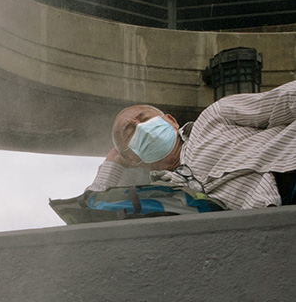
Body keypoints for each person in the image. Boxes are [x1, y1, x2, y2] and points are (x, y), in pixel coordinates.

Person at [88, 81, 296, 209]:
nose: (141, 127)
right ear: (131, 159)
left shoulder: (214, 116)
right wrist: (112, 165)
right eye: (131, 131)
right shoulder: (158, 195)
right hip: (276, 214)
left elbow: (283, 101)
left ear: (171, 120)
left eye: (144, 118)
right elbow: (92, 211)